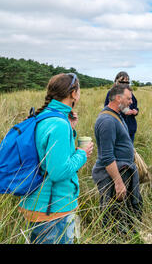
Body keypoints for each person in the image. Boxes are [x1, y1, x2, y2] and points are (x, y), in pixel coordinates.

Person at [18, 73, 94, 244]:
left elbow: (47, 158)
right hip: (53, 210)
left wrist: (71, 128)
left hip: (36, 204)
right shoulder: (59, 124)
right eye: (79, 90)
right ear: (73, 93)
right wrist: (82, 153)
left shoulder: (44, 117)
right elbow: (58, 172)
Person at [92, 84, 142, 235]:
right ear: (118, 98)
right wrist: (119, 183)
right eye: (128, 98)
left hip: (123, 172)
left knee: (125, 215)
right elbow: (107, 157)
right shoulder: (107, 120)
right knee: (114, 217)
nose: (131, 102)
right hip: (114, 177)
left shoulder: (117, 116)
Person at [104, 72, 139, 142]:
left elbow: (135, 106)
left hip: (130, 128)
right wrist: (123, 112)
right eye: (122, 82)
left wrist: (135, 111)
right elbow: (107, 111)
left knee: (129, 150)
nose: (124, 84)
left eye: (127, 82)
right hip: (117, 129)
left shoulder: (130, 93)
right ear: (116, 81)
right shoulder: (111, 93)